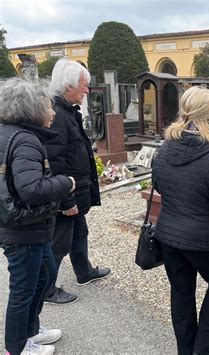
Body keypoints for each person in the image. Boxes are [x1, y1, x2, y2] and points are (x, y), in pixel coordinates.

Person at [152, 86, 209, 355]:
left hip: (169, 234)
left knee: (181, 291)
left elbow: (158, 185)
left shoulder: (166, 147)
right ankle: (204, 349)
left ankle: (187, 349)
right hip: (203, 238)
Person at [0, 78, 76, 355]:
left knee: (46, 275)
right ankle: (16, 348)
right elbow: (32, 189)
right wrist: (66, 183)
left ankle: (30, 330)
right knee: (23, 290)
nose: (53, 112)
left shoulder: (10, 133)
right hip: (23, 229)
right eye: (48, 106)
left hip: (28, 226)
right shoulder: (25, 140)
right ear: (31, 108)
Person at [44, 59, 110, 304]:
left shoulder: (68, 111)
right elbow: (55, 162)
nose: (87, 90)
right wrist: (66, 200)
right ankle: (46, 290)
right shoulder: (59, 115)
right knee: (59, 244)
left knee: (80, 232)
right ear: (68, 85)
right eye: (84, 85)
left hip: (75, 192)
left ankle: (84, 272)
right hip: (66, 195)